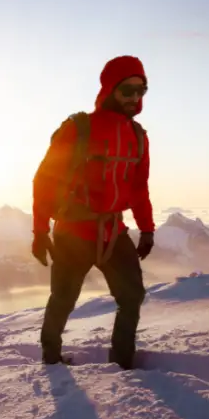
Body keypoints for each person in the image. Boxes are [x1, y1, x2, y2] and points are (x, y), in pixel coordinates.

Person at [31, 55, 156, 370]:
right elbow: (45, 180)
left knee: (132, 296)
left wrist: (148, 228)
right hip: (73, 230)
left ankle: (123, 362)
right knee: (63, 298)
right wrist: (39, 231)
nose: (135, 98)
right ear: (110, 89)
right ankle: (51, 358)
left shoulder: (139, 136)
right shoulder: (78, 128)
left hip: (113, 230)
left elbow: (139, 188)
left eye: (142, 90)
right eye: (127, 90)